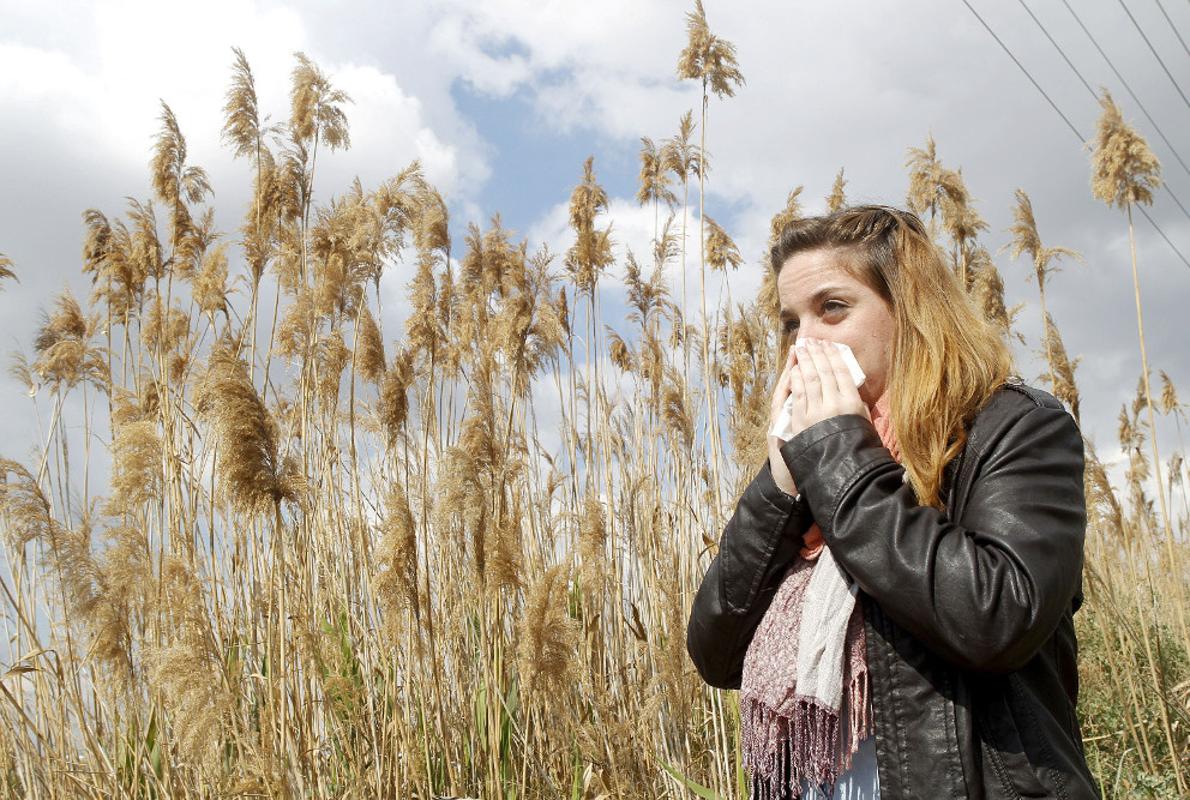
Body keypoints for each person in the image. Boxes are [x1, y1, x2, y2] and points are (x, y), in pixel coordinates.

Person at [686, 205, 1100, 800]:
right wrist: (780, 484)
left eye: (832, 308)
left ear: (909, 311)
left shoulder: (1013, 429)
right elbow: (715, 653)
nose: (805, 342)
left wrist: (838, 458)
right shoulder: (815, 468)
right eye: (790, 322)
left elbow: (998, 618)